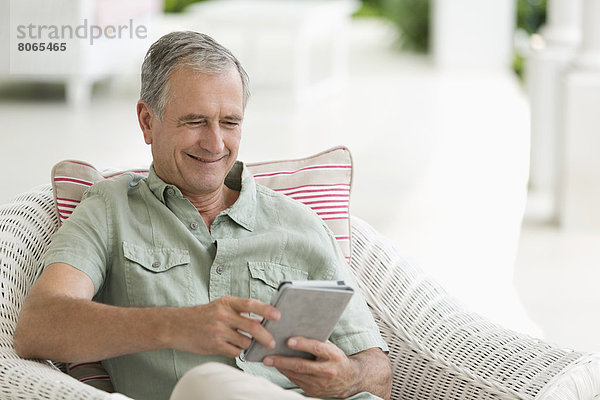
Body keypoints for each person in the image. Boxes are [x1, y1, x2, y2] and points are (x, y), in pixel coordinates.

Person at [14, 31, 392, 400]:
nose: (215, 144)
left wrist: (349, 378)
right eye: (195, 121)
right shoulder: (110, 209)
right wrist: (177, 326)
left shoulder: (302, 224)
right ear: (147, 121)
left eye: (230, 122)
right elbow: (39, 325)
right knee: (205, 383)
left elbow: (378, 371)